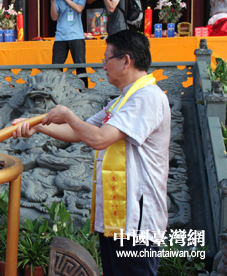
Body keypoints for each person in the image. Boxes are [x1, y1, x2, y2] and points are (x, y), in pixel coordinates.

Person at [13, 30, 170, 276]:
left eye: (107, 58)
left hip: (138, 220)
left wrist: (66, 114)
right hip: (118, 218)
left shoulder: (147, 97)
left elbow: (99, 138)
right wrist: (36, 126)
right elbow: (79, 131)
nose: (103, 65)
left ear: (126, 61)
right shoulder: (123, 100)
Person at [49, 0, 87, 87]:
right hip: (61, 36)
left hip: (76, 36)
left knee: (80, 66)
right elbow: (54, 17)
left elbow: (79, 9)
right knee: (56, 68)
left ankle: (84, 92)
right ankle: (55, 91)